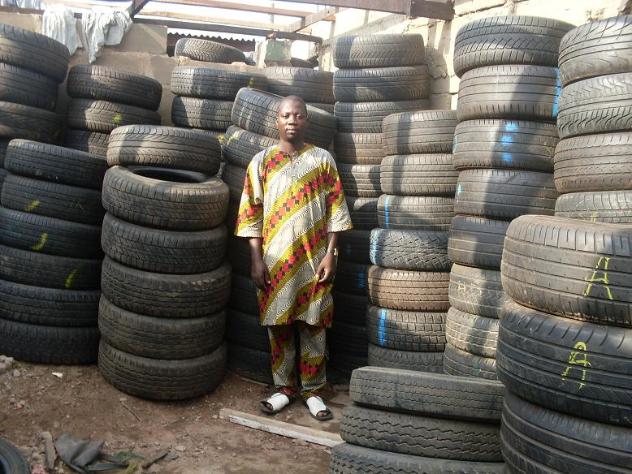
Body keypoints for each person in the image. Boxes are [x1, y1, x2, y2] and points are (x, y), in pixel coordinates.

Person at [234, 95, 352, 421]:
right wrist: (255, 258)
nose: (291, 121)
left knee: (314, 326)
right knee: (279, 326)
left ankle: (313, 391)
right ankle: (284, 389)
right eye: (286, 115)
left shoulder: (322, 160)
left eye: (298, 115)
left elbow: (336, 210)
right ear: (276, 120)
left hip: (315, 262)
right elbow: (251, 213)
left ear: (306, 120)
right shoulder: (261, 162)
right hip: (275, 262)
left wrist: (331, 255)